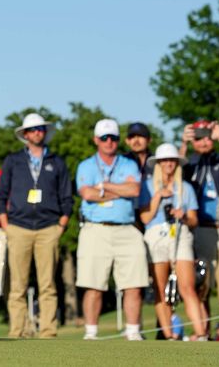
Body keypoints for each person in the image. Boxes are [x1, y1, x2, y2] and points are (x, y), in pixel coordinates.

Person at [0, 113, 72, 338]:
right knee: (17, 286)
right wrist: (6, 225)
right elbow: (0, 195)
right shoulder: (13, 161)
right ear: (25, 134)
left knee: (47, 285)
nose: (38, 133)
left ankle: (48, 331)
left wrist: (61, 226)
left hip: (49, 228)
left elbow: (67, 197)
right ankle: (18, 330)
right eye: (33, 129)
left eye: (41, 129)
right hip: (18, 227)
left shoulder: (57, 162)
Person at [76, 119, 148, 341]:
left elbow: (134, 189)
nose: (109, 142)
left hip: (126, 229)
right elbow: (86, 193)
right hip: (95, 228)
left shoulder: (128, 164)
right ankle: (91, 332)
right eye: (105, 138)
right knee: (93, 284)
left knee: (134, 284)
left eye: (114, 138)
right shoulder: (86, 165)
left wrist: (104, 186)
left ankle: (133, 331)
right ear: (96, 140)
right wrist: (120, 191)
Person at [138, 143, 207, 340]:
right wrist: (157, 197)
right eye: (165, 160)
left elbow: (194, 219)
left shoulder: (185, 188)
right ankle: (169, 336)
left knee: (187, 286)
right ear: (158, 163)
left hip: (180, 233)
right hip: (155, 235)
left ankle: (200, 333)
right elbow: (145, 218)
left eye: (172, 160)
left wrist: (183, 216)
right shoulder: (148, 186)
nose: (169, 163)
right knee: (161, 289)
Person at [179, 120, 219, 330]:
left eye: (207, 136)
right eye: (199, 137)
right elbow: (172, 173)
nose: (204, 141)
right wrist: (184, 145)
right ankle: (204, 333)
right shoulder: (189, 163)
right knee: (201, 284)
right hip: (200, 229)